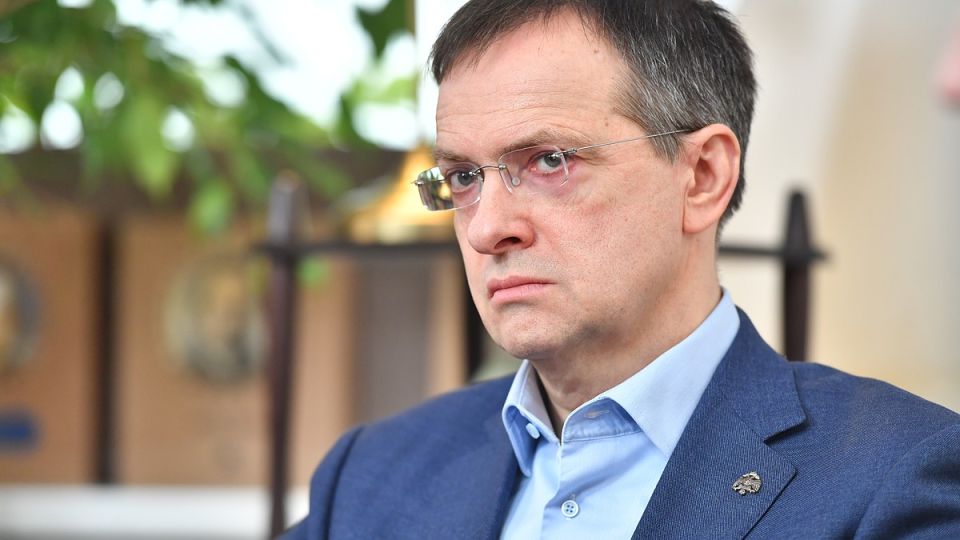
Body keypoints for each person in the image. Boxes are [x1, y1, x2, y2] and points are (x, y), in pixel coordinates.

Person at [284, 1, 960, 538]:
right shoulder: (370, 478)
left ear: (703, 176)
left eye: (549, 161)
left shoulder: (893, 480)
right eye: (463, 177)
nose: (488, 228)